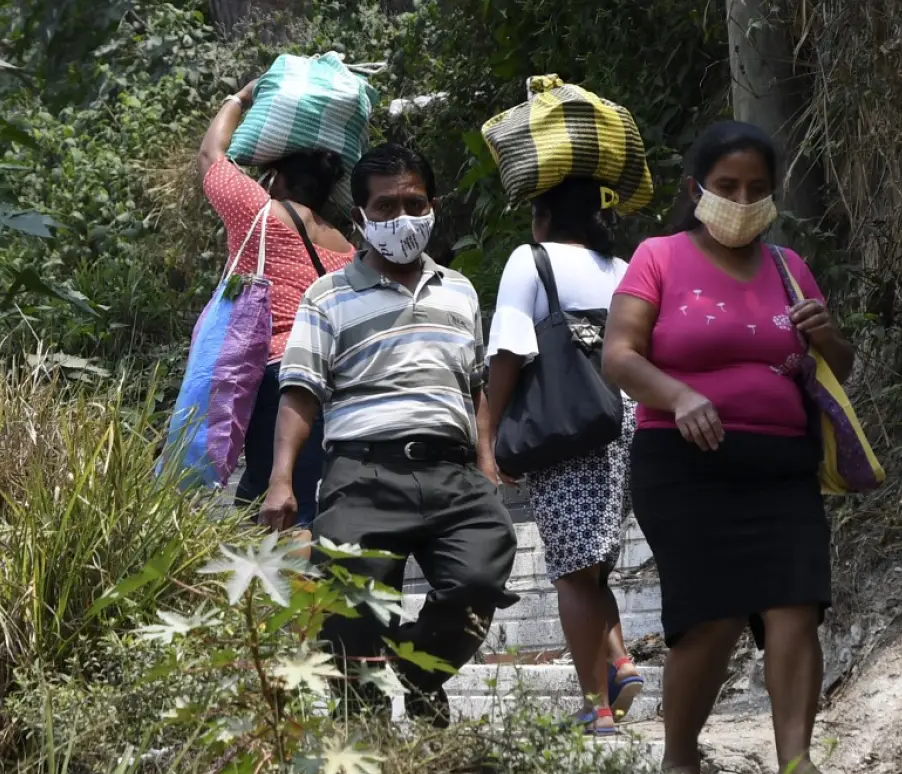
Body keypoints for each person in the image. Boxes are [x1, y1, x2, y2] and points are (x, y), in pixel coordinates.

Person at [603, 121, 856, 774]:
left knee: (795, 606)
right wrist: (679, 396)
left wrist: (828, 335)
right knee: (708, 615)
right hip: (684, 465)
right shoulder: (657, 257)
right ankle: (678, 763)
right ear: (696, 189)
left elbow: (839, 366)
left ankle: (797, 765)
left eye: (756, 189)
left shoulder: (788, 265)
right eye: (726, 187)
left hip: (781, 464)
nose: (741, 200)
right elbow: (620, 354)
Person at [259, 142, 519, 727]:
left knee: (480, 574)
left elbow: (474, 386)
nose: (400, 217)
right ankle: (365, 736)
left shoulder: (460, 290)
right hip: (362, 473)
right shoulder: (326, 297)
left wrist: (486, 461)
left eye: (413, 201)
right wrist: (281, 480)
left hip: (452, 473)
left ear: (433, 206)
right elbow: (300, 390)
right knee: (353, 604)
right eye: (384, 207)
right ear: (359, 218)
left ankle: (422, 669)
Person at [484, 178, 644, 736]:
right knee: (594, 561)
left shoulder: (532, 260)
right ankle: (619, 664)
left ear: (542, 218)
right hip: (622, 420)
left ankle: (596, 705)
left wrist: (487, 433)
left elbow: (508, 351)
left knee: (574, 573)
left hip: (568, 424)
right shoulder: (622, 268)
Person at [198, 79, 354, 527]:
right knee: (294, 499)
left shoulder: (259, 211)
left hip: (268, 375)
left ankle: (280, 595)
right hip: (321, 383)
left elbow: (212, 155)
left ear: (277, 177)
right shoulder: (345, 248)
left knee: (276, 508)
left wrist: (240, 97)